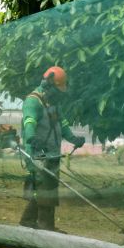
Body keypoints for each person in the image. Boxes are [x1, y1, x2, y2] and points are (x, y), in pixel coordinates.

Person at [19, 66, 85, 231]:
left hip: (52, 154)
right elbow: (29, 122)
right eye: (58, 89)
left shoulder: (52, 103)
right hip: (38, 154)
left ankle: (27, 221)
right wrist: (32, 138)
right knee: (47, 190)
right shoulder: (33, 101)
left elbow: (62, 124)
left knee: (45, 189)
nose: (60, 93)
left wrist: (73, 138)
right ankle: (46, 227)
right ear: (48, 84)